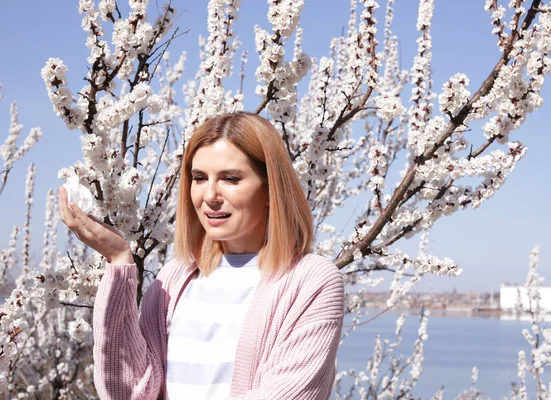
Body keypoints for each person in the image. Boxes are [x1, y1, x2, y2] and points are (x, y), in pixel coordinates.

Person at [58, 112, 344, 400]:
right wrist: (119, 260)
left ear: (271, 187)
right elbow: (127, 392)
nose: (209, 195)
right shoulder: (175, 278)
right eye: (198, 178)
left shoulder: (311, 282)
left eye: (230, 179)